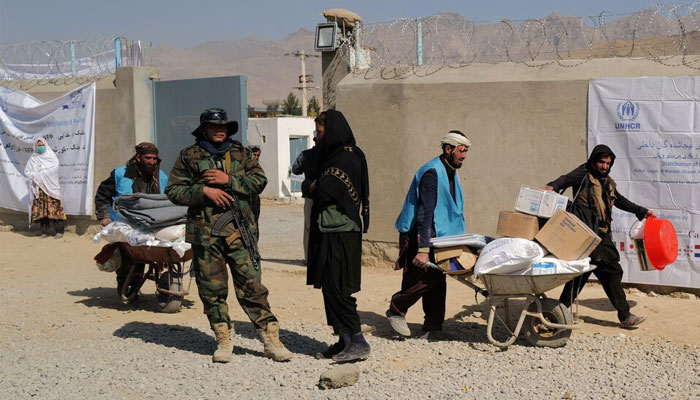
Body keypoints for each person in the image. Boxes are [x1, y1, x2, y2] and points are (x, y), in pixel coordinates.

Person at [166, 108, 292, 363]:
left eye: (224, 126)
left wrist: (229, 180)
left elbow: (259, 182)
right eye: (214, 126)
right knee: (212, 289)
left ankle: (270, 338)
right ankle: (222, 338)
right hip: (206, 235)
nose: (220, 130)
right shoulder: (189, 156)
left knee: (252, 286)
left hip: (239, 232)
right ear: (204, 129)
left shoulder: (241, 153)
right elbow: (173, 190)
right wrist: (204, 192)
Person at [544, 144, 654, 329]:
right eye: (601, 162)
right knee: (610, 271)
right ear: (594, 161)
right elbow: (564, 180)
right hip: (585, 234)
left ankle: (557, 312)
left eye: (608, 163)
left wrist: (640, 211)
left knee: (582, 275)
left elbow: (619, 200)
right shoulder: (583, 173)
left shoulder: (607, 182)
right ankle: (625, 315)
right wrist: (551, 187)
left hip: (602, 235)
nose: (604, 166)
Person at [387, 131, 471, 339]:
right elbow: (425, 212)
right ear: (448, 149)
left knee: (438, 279)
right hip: (419, 233)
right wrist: (423, 249)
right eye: (461, 150)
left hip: (440, 235)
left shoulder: (450, 170)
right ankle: (396, 308)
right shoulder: (432, 173)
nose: (464, 155)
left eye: (466, 151)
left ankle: (432, 326)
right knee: (422, 278)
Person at [306, 109, 371, 362]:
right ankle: (344, 340)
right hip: (328, 230)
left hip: (341, 233)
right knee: (329, 287)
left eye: (320, 131)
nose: (318, 136)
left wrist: (312, 185)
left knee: (339, 287)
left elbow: (324, 190)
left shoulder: (346, 158)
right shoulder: (333, 156)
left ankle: (358, 341)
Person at [94, 142, 168, 299]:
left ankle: (147, 287)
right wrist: (104, 216)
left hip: (151, 223)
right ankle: (127, 287)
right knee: (129, 259)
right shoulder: (121, 174)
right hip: (124, 224)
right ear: (138, 157)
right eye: (148, 157)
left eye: (154, 158)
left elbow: (168, 199)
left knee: (144, 255)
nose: (152, 161)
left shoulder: (161, 177)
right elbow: (102, 194)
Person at [291, 112, 324, 264]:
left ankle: (309, 258)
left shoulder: (306, 155)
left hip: (311, 195)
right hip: (325, 196)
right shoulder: (333, 155)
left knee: (309, 227)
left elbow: (296, 169)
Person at [24, 138, 66, 239]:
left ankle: (59, 231)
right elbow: (27, 171)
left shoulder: (52, 157)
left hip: (51, 188)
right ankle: (45, 231)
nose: (40, 147)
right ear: (35, 146)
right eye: (39, 145)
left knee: (55, 209)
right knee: (42, 211)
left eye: (42, 145)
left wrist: (40, 174)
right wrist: (33, 175)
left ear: (46, 145)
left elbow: (54, 169)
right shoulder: (33, 159)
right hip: (39, 189)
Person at [249, 145, 262, 225]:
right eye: (254, 155)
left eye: (258, 155)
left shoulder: (257, 168)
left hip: (254, 200)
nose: (256, 157)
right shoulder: (242, 167)